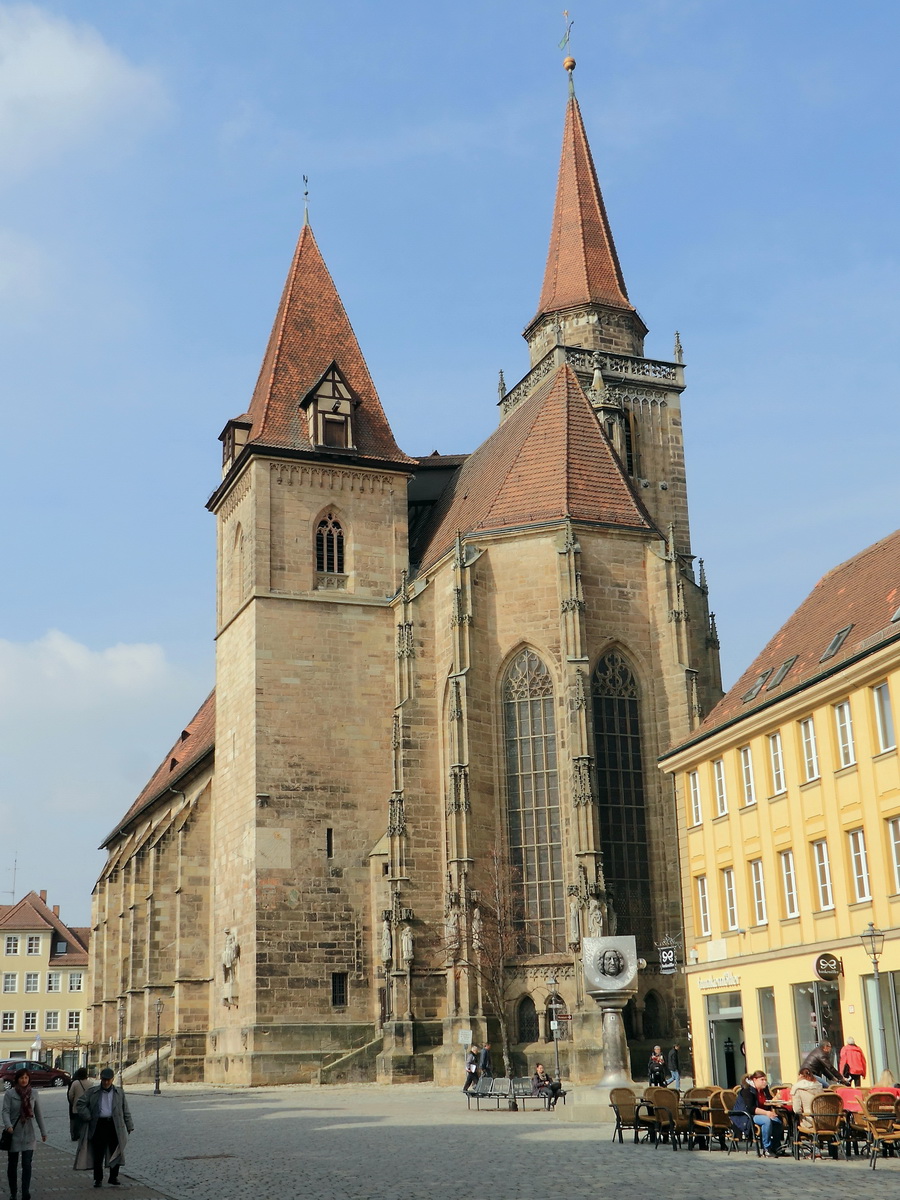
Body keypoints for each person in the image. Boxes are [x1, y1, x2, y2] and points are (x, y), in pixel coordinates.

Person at [74, 1067, 134, 1188]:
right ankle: (98, 1179)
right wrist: (88, 1116)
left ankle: (113, 1177)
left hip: (114, 1124)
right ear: (101, 1079)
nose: (106, 1082)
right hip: (98, 1124)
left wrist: (129, 1125)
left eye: (108, 1080)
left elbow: (125, 1109)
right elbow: (80, 1103)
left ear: (112, 1079)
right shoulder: (93, 1092)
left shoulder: (119, 1092)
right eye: (104, 1080)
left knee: (115, 1151)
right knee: (98, 1153)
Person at [2, 1067, 47, 1200]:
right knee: (13, 1164)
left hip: (29, 1133)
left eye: (26, 1077)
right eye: (21, 1077)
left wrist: (43, 1132)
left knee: (27, 1164)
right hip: (14, 1133)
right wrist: (8, 1125)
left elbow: (39, 1114)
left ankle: (25, 1191)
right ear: (17, 1079)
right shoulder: (10, 1094)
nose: (24, 1080)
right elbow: (5, 1111)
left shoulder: (34, 1093)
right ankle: (13, 1192)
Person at [733, 1070, 784, 1156]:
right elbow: (751, 1108)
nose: (765, 1082)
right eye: (762, 1080)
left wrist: (776, 1100)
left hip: (760, 1114)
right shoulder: (747, 1090)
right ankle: (766, 1148)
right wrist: (767, 1113)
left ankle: (776, 1147)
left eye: (765, 1080)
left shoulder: (764, 1090)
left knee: (778, 1120)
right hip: (746, 1116)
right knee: (766, 1120)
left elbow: (769, 1101)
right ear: (754, 1080)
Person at [789, 1067, 824, 1134]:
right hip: (824, 1120)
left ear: (800, 1076)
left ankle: (795, 1141)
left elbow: (797, 1110)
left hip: (809, 1121)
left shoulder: (797, 1088)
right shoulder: (819, 1086)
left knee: (795, 1120)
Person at [67, 1067, 92, 1142]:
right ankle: (85, 1135)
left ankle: (75, 1135)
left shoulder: (75, 1083)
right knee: (85, 1122)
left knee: (76, 1122)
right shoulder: (90, 1083)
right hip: (86, 1107)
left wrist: (73, 1102)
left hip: (76, 1106)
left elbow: (70, 1095)